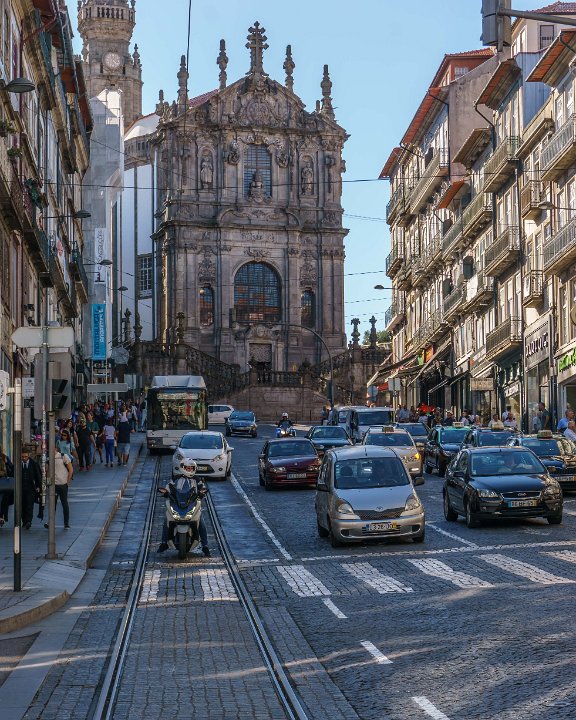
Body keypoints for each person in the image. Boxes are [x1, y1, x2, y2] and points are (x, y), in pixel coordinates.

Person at [157, 460, 210, 557]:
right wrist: (166, 492)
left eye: (191, 468)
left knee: (201, 522)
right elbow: (168, 487)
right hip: (177, 504)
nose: (189, 470)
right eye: (187, 468)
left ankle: (205, 545)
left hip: (192, 504)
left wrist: (201, 492)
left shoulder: (197, 479)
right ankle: (164, 543)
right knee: (167, 520)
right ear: (183, 468)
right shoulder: (176, 478)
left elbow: (202, 488)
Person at [44, 450, 73, 529]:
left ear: (55, 448)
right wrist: (48, 484)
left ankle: (66, 523)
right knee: (53, 504)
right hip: (53, 485)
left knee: (64, 503)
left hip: (63, 484)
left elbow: (70, 469)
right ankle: (50, 522)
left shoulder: (63, 456)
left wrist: (68, 481)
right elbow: (47, 473)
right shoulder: (48, 458)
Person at [21, 449, 42, 530]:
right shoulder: (18, 464)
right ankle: (24, 521)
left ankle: (29, 521)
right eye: (23, 456)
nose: (24, 458)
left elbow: (38, 476)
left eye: (25, 456)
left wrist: (38, 486)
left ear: (28, 456)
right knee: (22, 505)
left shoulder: (34, 464)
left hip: (31, 488)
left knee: (30, 505)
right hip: (21, 489)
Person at [0, 447, 14, 527]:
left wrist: (7, 462)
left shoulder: (4, 457)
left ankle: (1, 517)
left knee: (1, 500)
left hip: (2, 483)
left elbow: (12, 468)